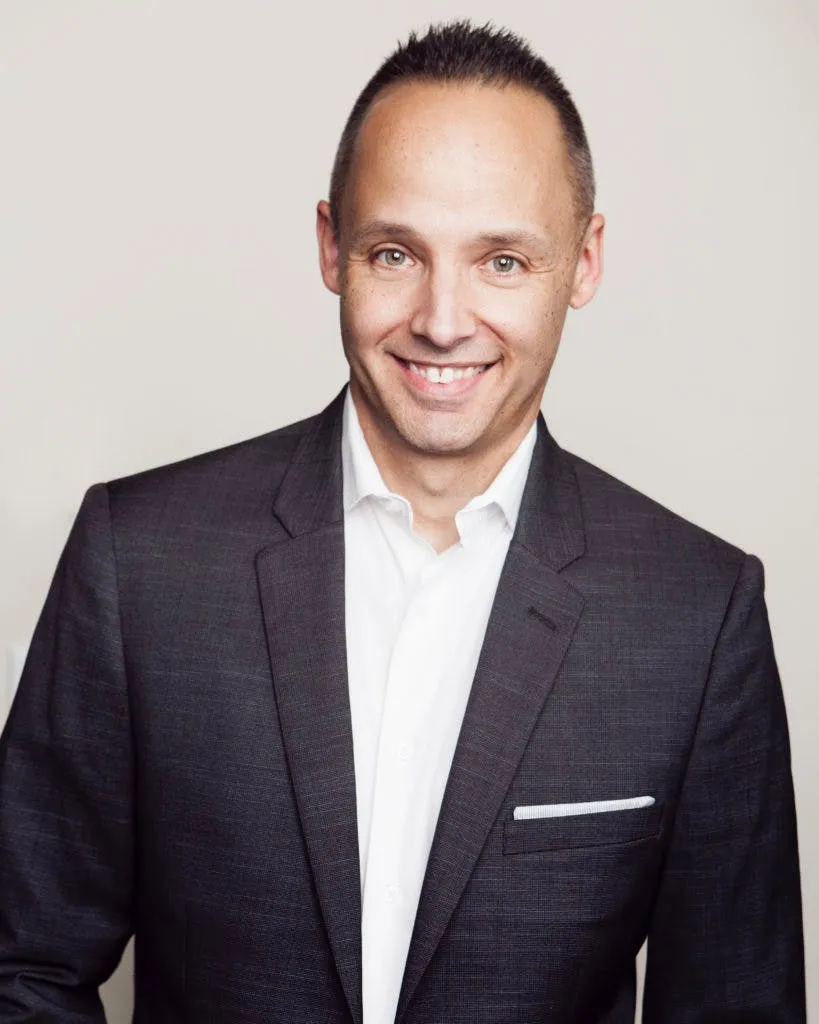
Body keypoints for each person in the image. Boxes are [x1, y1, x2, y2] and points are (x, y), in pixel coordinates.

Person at [0, 19, 805, 1024]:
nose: (442, 320)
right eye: (395, 252)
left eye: (502, 261)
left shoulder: (697, 615)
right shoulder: (139, 561)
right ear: (330, 247)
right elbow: (21, 967)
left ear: (583, 262)